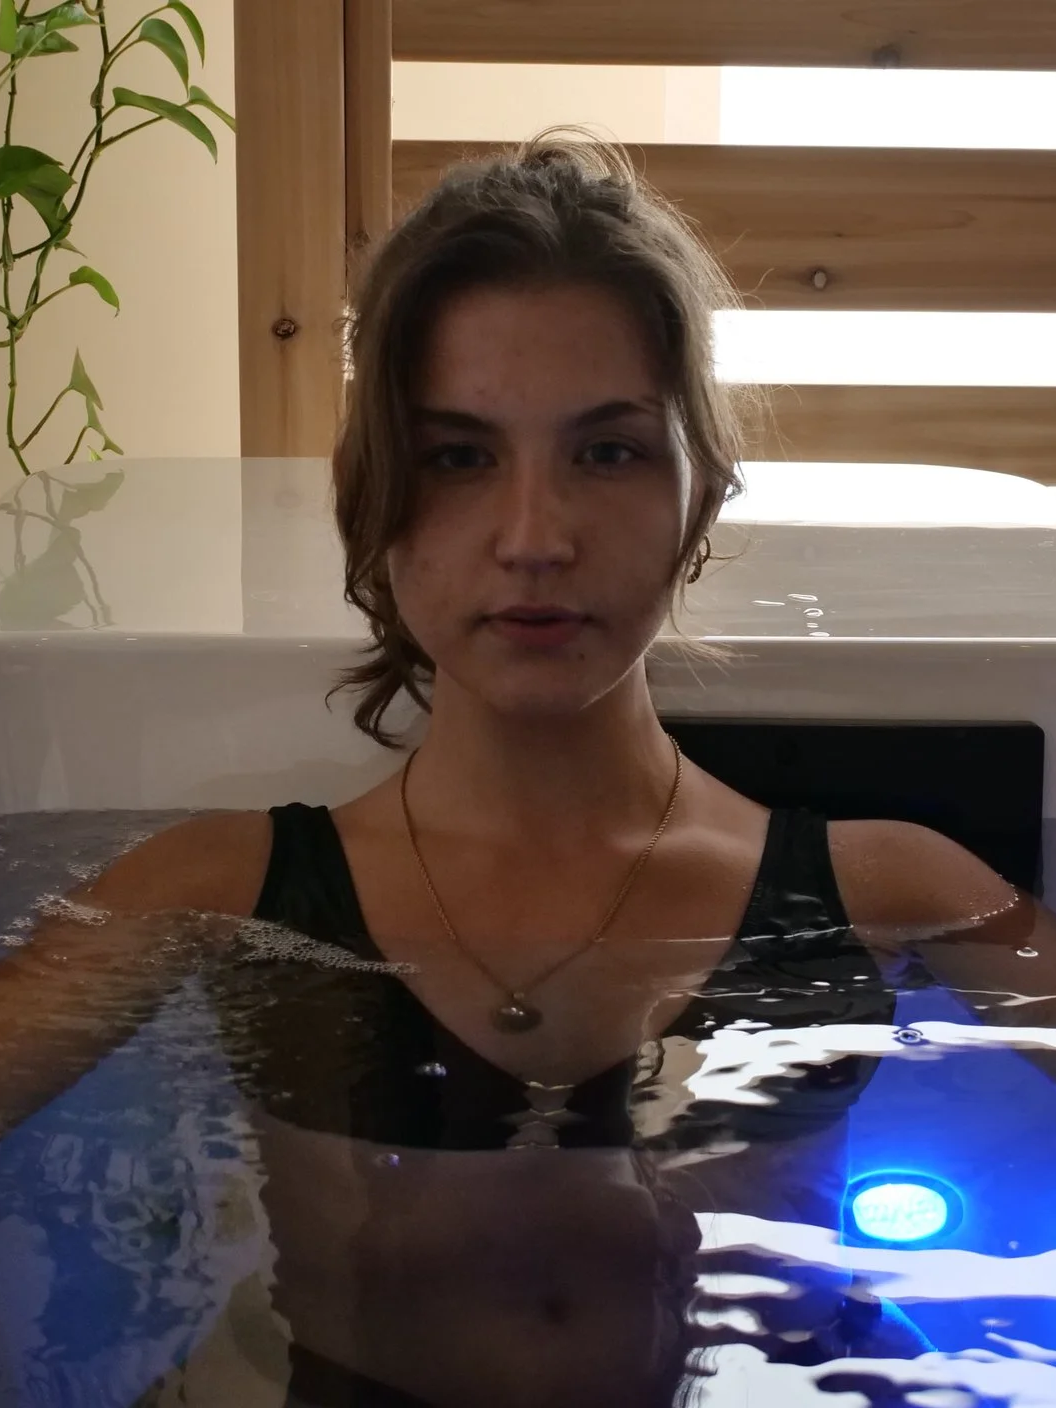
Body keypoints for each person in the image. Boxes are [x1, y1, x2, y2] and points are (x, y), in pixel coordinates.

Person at [5, 130, 1055, 1408]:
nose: (534, 537)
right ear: (371, 500)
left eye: (608, 451)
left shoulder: (891, 886)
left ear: (701, 497)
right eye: (458, 456)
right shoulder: (218, 888)